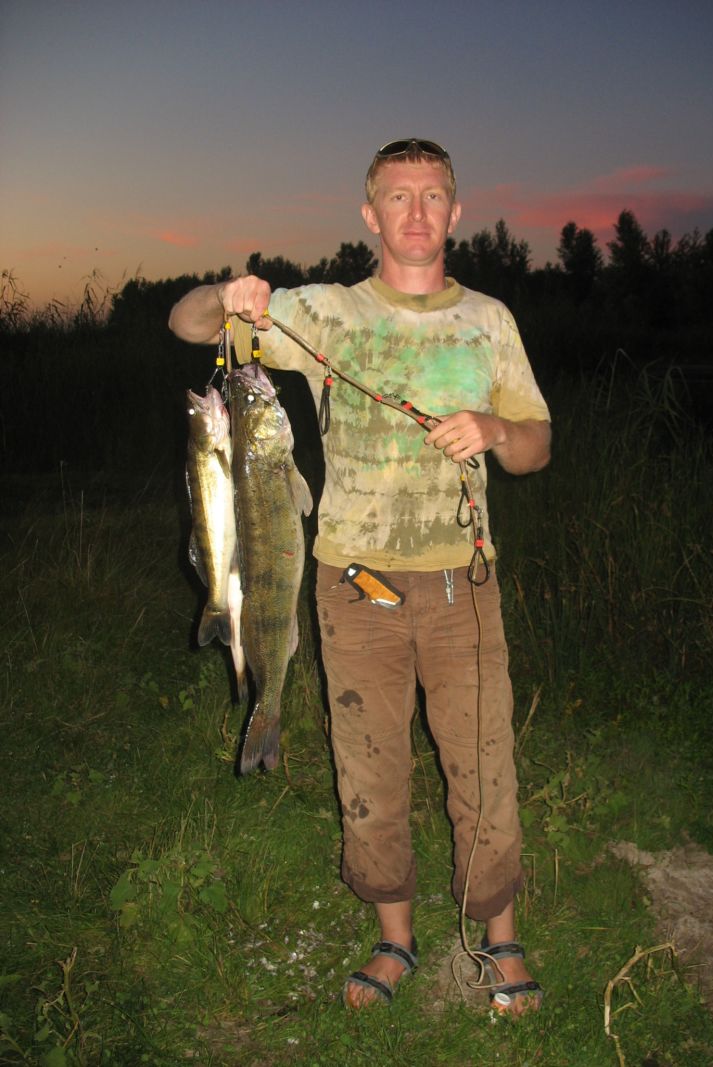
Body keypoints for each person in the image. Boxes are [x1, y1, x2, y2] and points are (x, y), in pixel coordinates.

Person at [169, 138, 551, 1016]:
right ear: (370, 214)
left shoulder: (489, 320)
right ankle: (394, 936)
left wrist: (496, 430)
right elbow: (188, 325)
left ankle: (500, 935)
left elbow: (537, 445)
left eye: (433, 195)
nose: (416, 212)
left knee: (484, 766)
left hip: (463, 584)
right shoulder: (327, 312)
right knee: (369, 772)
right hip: (353, 586)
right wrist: (228, 296)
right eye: (398, 196)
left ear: (455, 211)